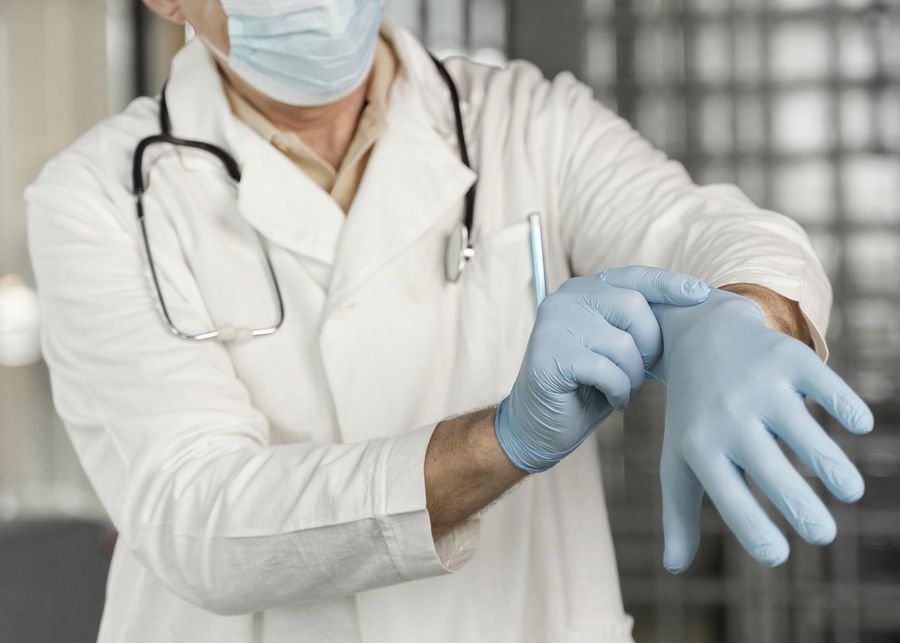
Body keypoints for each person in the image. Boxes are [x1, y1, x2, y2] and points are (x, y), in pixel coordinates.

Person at [25, 1, 873, 641]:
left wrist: (743, 315)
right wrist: (503, 441)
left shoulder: (524, 119)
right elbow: (196, 517)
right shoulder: (98, 198)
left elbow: (703, 228)